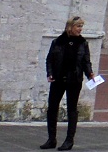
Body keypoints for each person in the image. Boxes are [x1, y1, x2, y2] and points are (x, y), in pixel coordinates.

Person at [41, 15, 95, 151]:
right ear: (70, 27)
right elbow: (49, 60)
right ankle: (51, 139)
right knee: (52, 108)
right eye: (78, 26)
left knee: (72, 109)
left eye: (81, 26)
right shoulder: (58, 42)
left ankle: (69, 140)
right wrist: (50, 73)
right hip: (58, 79)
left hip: (74, 79)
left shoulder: (83, 43)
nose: (80, 29)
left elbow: (86, 61)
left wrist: (90, 74)